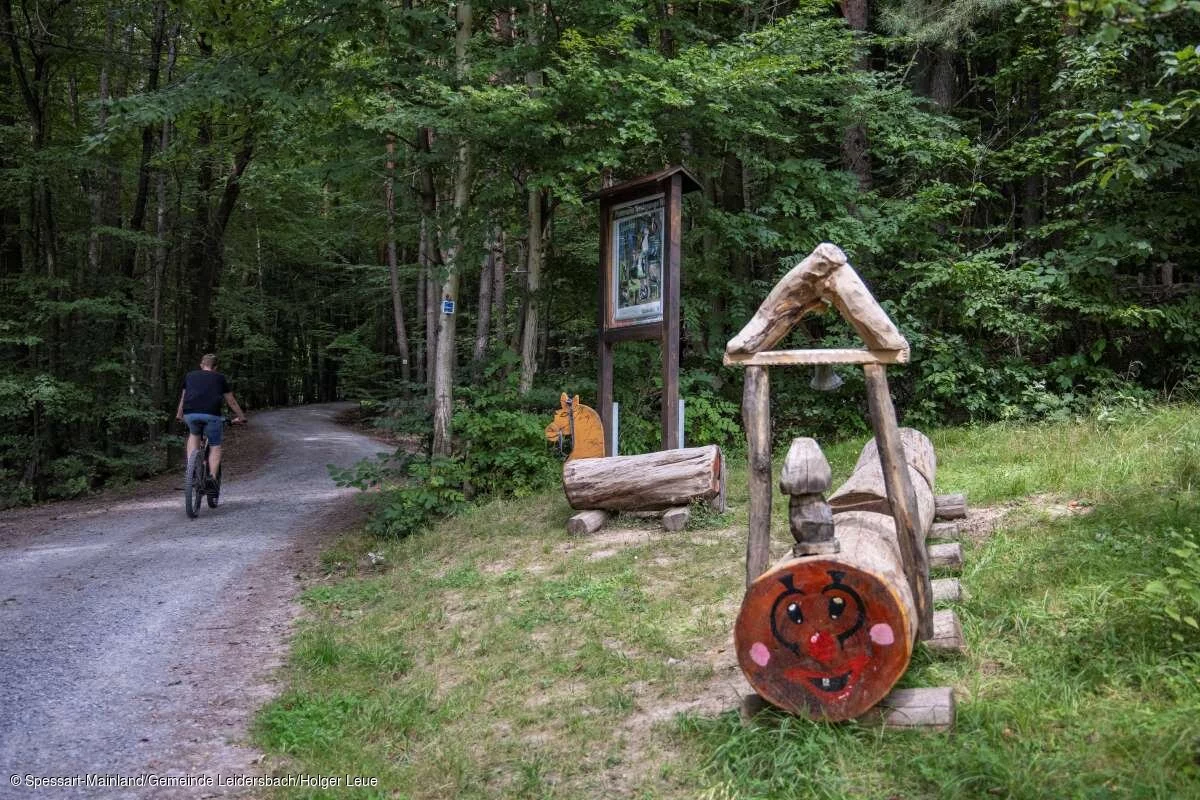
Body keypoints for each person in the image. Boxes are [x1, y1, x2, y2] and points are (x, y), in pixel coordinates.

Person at [175, 354, 247, 490]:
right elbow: (231, 401)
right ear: (215, 367)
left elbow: (183, 398)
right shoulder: (220, 378)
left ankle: (192, 471)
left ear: (201, 365)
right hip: (211, 414)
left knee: (194, 434)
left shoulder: (190, 376)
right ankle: (212, 478)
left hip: (190, 413)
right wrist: (241, 417)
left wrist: (179, 415)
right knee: (215, 445)